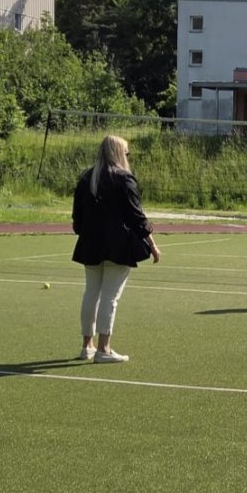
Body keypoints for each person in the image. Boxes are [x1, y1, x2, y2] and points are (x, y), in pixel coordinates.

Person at [71, 135, 161, 364]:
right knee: (110, 297)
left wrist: (88, 233)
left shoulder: (86, 178)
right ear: (120, 153)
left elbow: (77, 220)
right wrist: (152, 244)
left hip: (90, 244)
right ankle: (104, 348)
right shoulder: (124, 179)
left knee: (91, 293)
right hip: (118, 245)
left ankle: (87, 345)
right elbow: (137, 217)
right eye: (127, 152)